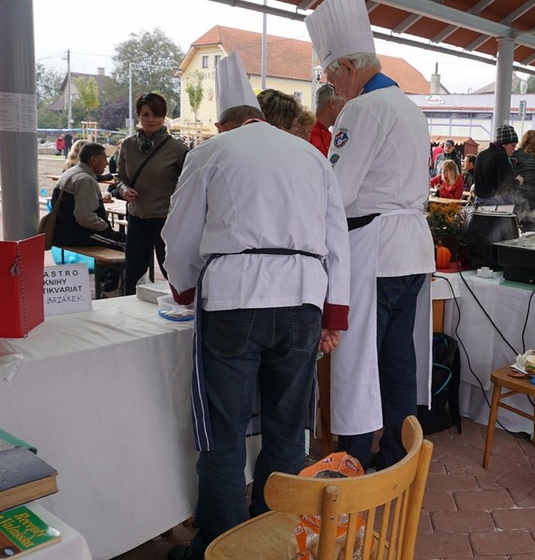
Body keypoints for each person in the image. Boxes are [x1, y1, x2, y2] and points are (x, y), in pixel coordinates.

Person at [162, 103, 351, 560]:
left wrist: (184, 289)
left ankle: (221, 545)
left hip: (234, 295)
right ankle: (276, 537)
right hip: (302, 296)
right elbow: (336, 238)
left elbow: (179, 233)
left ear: (227, 124)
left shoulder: (211, 152)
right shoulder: (311, 156)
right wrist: (335, 312)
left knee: (223, 429)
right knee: (287, 425)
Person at [307, 0, 435, 470]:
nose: (332, 86)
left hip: (375, 250)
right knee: (398, 360)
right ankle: (399, 456)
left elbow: (337, 191)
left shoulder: (361, 110)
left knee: (359, 361)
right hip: (411, 249)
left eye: (330, 76)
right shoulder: (408, 107)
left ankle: (354, 460)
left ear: (347, 66)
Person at [117, 93, 188, 295]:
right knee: (133, 272)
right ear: (138, 115)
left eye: (156, 115)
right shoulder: (128, 145)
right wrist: (123, 189)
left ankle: (180, 307)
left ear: (163, 116)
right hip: (136, 217)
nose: (151, 120)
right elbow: (120, 177)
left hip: (165, 220)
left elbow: (190, 182)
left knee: (171, 271)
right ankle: (128, 308)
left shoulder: (177, 148)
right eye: (145, 114)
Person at [50, 142, 125, 252]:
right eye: (104, 159)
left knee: (126, 239)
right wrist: (105, 226)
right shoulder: (85, 179)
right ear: (93, 160)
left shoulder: (71, 173)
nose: (107, 163)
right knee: (129, 245)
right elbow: (84, 217)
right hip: (77, 234)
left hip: (64, 232)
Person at [473, 124, 523, 206]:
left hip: (479, 201)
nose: (514, 149)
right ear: (503, 145)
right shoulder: (502, 157)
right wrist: (518, 181)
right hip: (496, 203)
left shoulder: (481, 155)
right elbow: (506, 187)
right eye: (512, 145)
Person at [310, 83, 345, 156]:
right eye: (343, 107)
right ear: (332, 103)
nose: (344, 112)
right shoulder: (305, 133)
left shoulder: (332, 136)